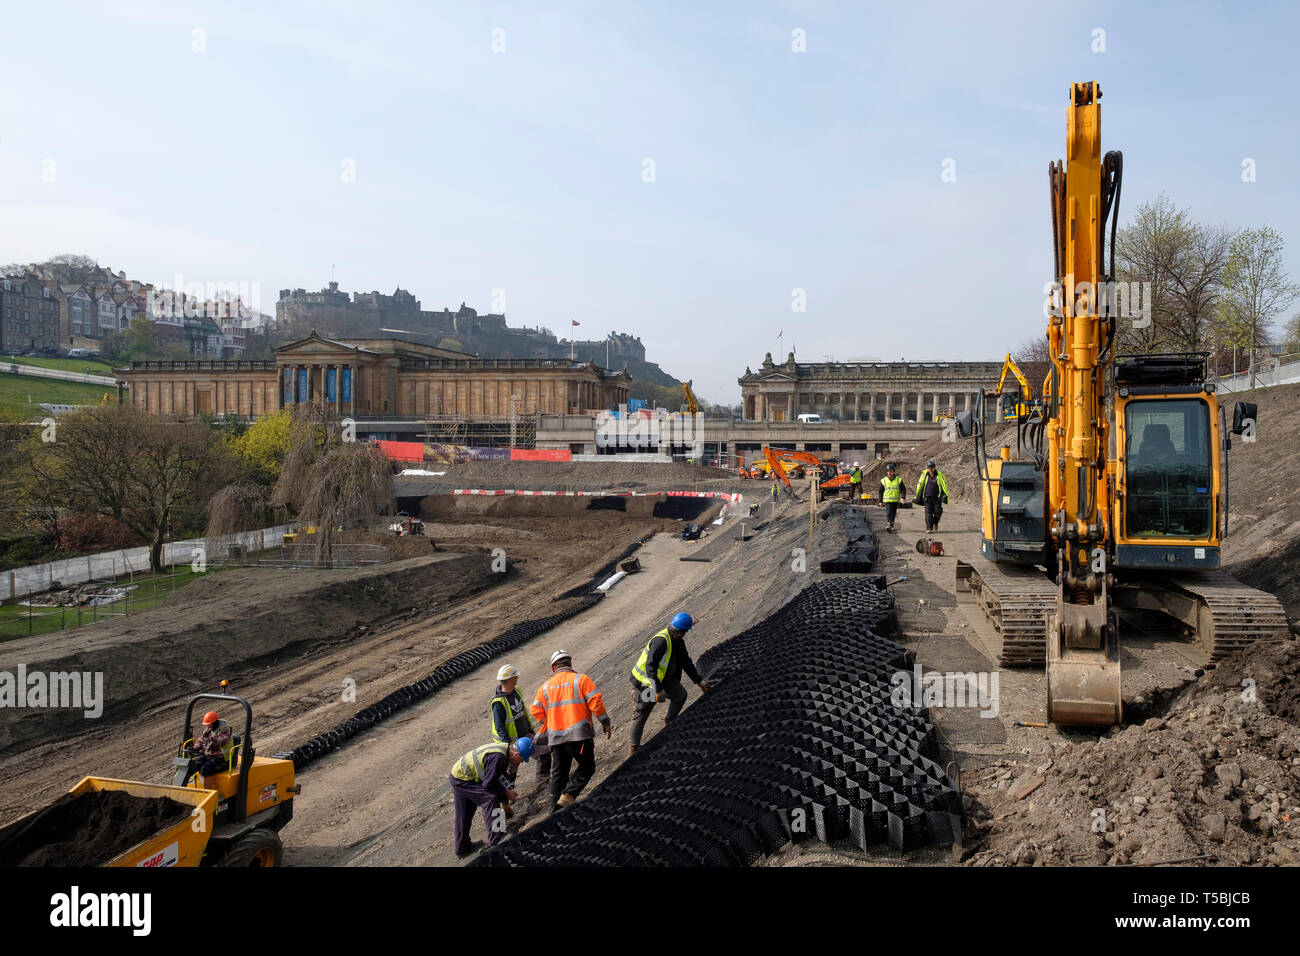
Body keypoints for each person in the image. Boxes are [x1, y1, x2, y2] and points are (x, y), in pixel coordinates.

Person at [530, 650, 610, 811]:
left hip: (556, 739)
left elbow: (535, 710)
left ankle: (554, 811)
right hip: (579, 735)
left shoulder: (545, 687)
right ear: (570, 664)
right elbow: (596, 703)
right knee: (587, 767)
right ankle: (568, 796)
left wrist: (550, 721)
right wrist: (605, 722)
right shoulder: (581, 680)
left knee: (559, 775)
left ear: (554, 668)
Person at [628, 612, 711, 755]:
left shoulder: (677, 641)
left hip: (663, 679)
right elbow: (650, 667)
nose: (683, 635)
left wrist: (699, 681)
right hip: (645, 684)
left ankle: (669, 722)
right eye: (682, 632)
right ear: (680, 630)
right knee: (643, 713)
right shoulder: (661, 641)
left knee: (680, 695)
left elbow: (686, 662)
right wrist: (657, 690)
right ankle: (634, 748)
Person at [449, 737, 533, 858]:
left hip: (459, 775)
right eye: (521, 759)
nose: (521, 763)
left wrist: (505, 804)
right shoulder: (498, 757)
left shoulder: (503, 752)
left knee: (465, 812)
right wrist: (506, 793)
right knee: (490, 799)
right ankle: (497, 839)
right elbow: (489, 784)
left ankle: (462, 848)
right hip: (463, 779)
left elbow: (498, 780)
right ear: (516, 753)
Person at [490, 664, 546, 804]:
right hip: (511, 743)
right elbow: (500, 727)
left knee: (544, 753)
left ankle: (542, 785)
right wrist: (510, 747)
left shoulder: (517, 691)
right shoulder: (498, 703)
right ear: (511, 679)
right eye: (516, 676)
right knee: (510, 773)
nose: (518, 678)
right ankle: (505, 800)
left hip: (526, 735)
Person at [193, 711, 235, 777]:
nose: (207, 726)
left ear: (214, 722)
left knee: (205, 768)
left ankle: (207, 787)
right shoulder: (209, 729)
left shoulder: (225, 729)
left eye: (209, 724)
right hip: (210, 754)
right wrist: (195, 747)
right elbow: (201, 739)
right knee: (194, 763)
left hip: (221, 756)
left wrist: (212, 735)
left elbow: (222, 742)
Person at [916, 459, 950, 532]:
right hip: (927, 497)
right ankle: (929, 528)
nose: (930, 469)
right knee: (928, 513)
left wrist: (944, 495)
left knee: (938, 511)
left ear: (934, 467)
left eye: (932, 468)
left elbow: (944, 485)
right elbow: (919, 484)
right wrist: (918, 495)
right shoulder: (924, 475)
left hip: (937, 498)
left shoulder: (940, 475)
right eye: (929, 468)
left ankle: (935, 522)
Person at [879, 463, 907, 533]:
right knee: (889, 512)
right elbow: (880, 491)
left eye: (891, 471)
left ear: (894, 472)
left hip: (895, 500)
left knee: (894, 513)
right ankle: (888, 524)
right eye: (888, 471)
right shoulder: (883, 481)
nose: (889, 473)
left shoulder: (899, 480)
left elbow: (903, 489)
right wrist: (880, 501)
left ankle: (892, 525)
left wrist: (902, 498)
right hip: (887, 500)